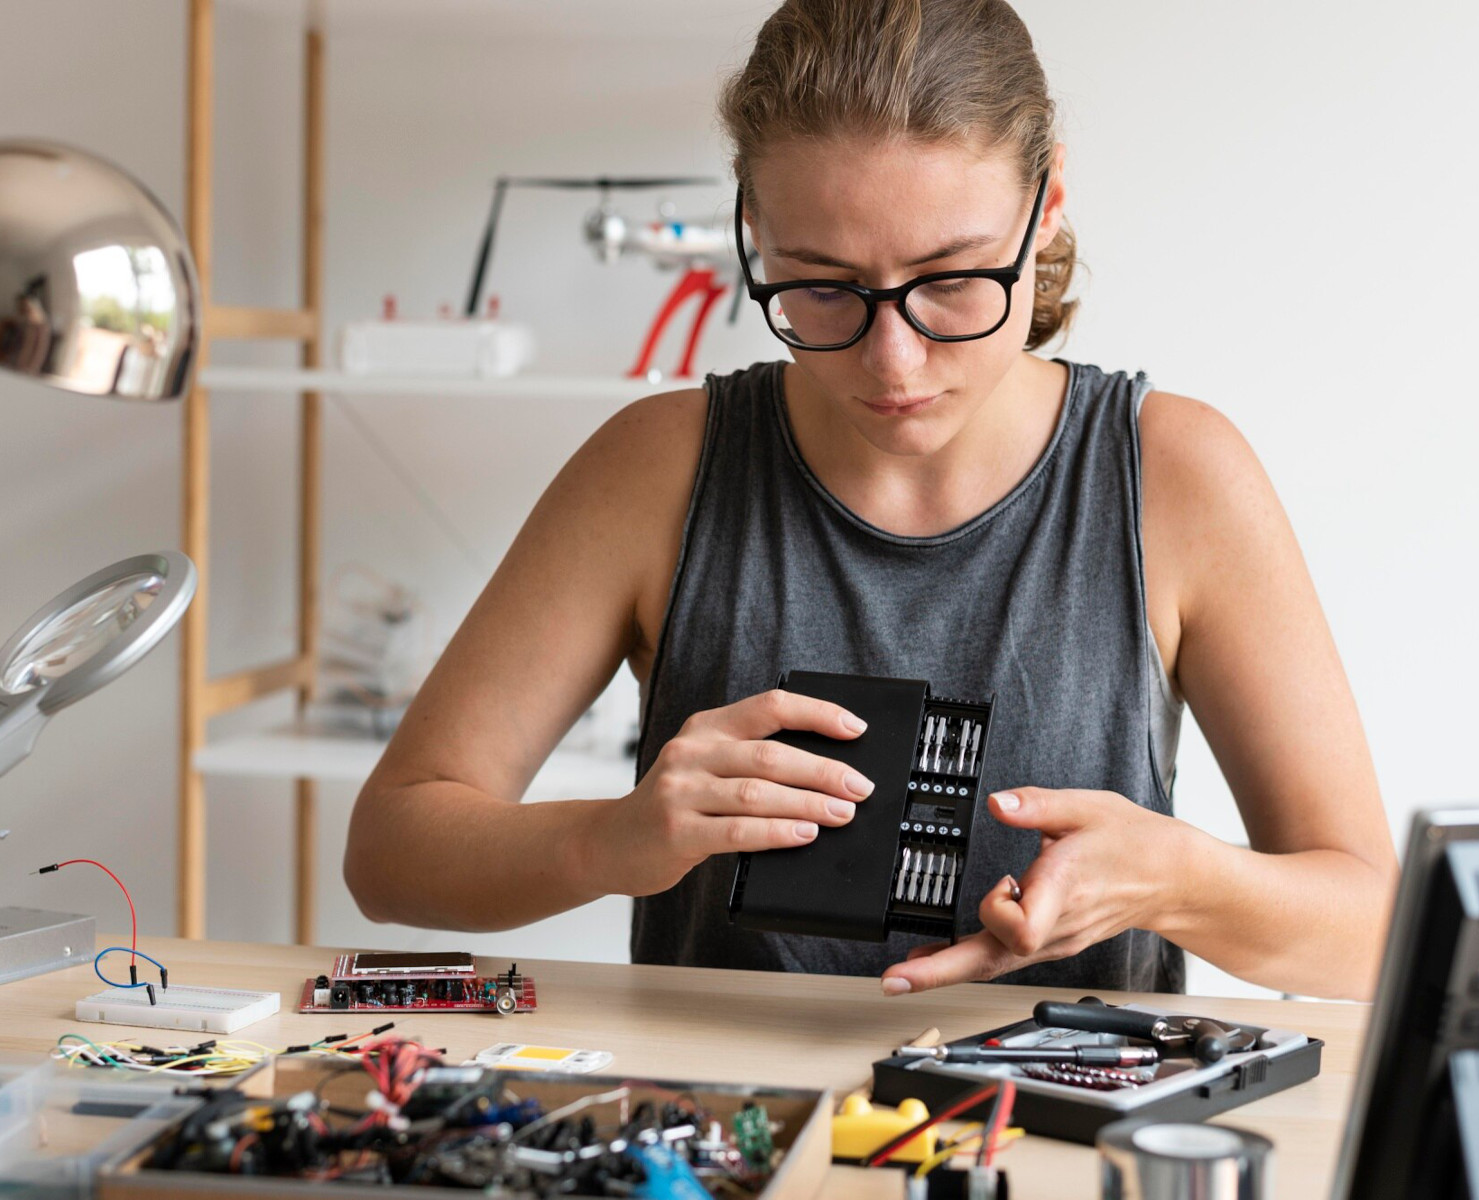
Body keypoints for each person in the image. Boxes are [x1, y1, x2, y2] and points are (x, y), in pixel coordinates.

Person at [345, 0, 1398, 1001]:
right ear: (754, 225)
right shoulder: (656, 469)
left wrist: (1182, 882)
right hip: (723, 1153)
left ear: (1048, 203)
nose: (893, 363)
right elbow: (391, 852)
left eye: (950, 281)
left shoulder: (1175, 475)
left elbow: (1368, 932)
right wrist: (610, 838)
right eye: (819, 285)